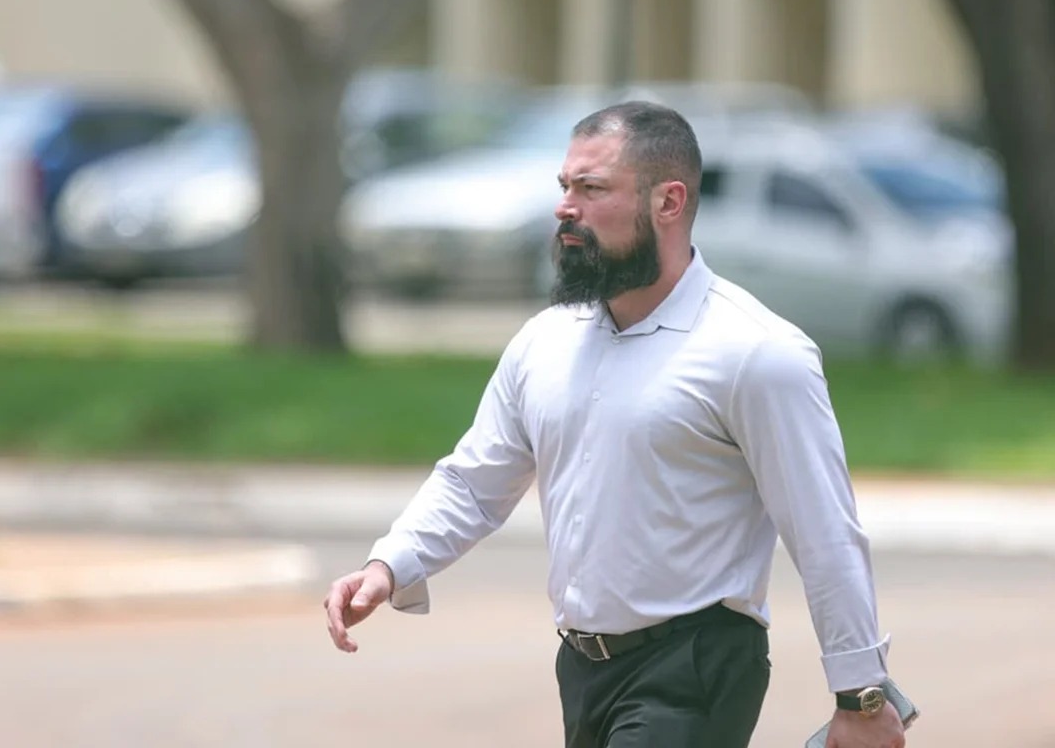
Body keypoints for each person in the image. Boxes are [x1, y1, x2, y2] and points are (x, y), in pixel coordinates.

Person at [323, 100, 907, 748]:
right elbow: (474, 482)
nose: (564, 208)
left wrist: (861, 695)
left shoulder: (757, 352)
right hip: (582, 669)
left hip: (696, 667)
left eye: (592, 188)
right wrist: (389, 564)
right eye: (565, 186)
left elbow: (824, 531)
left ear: (668, 202)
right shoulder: (544, 342)